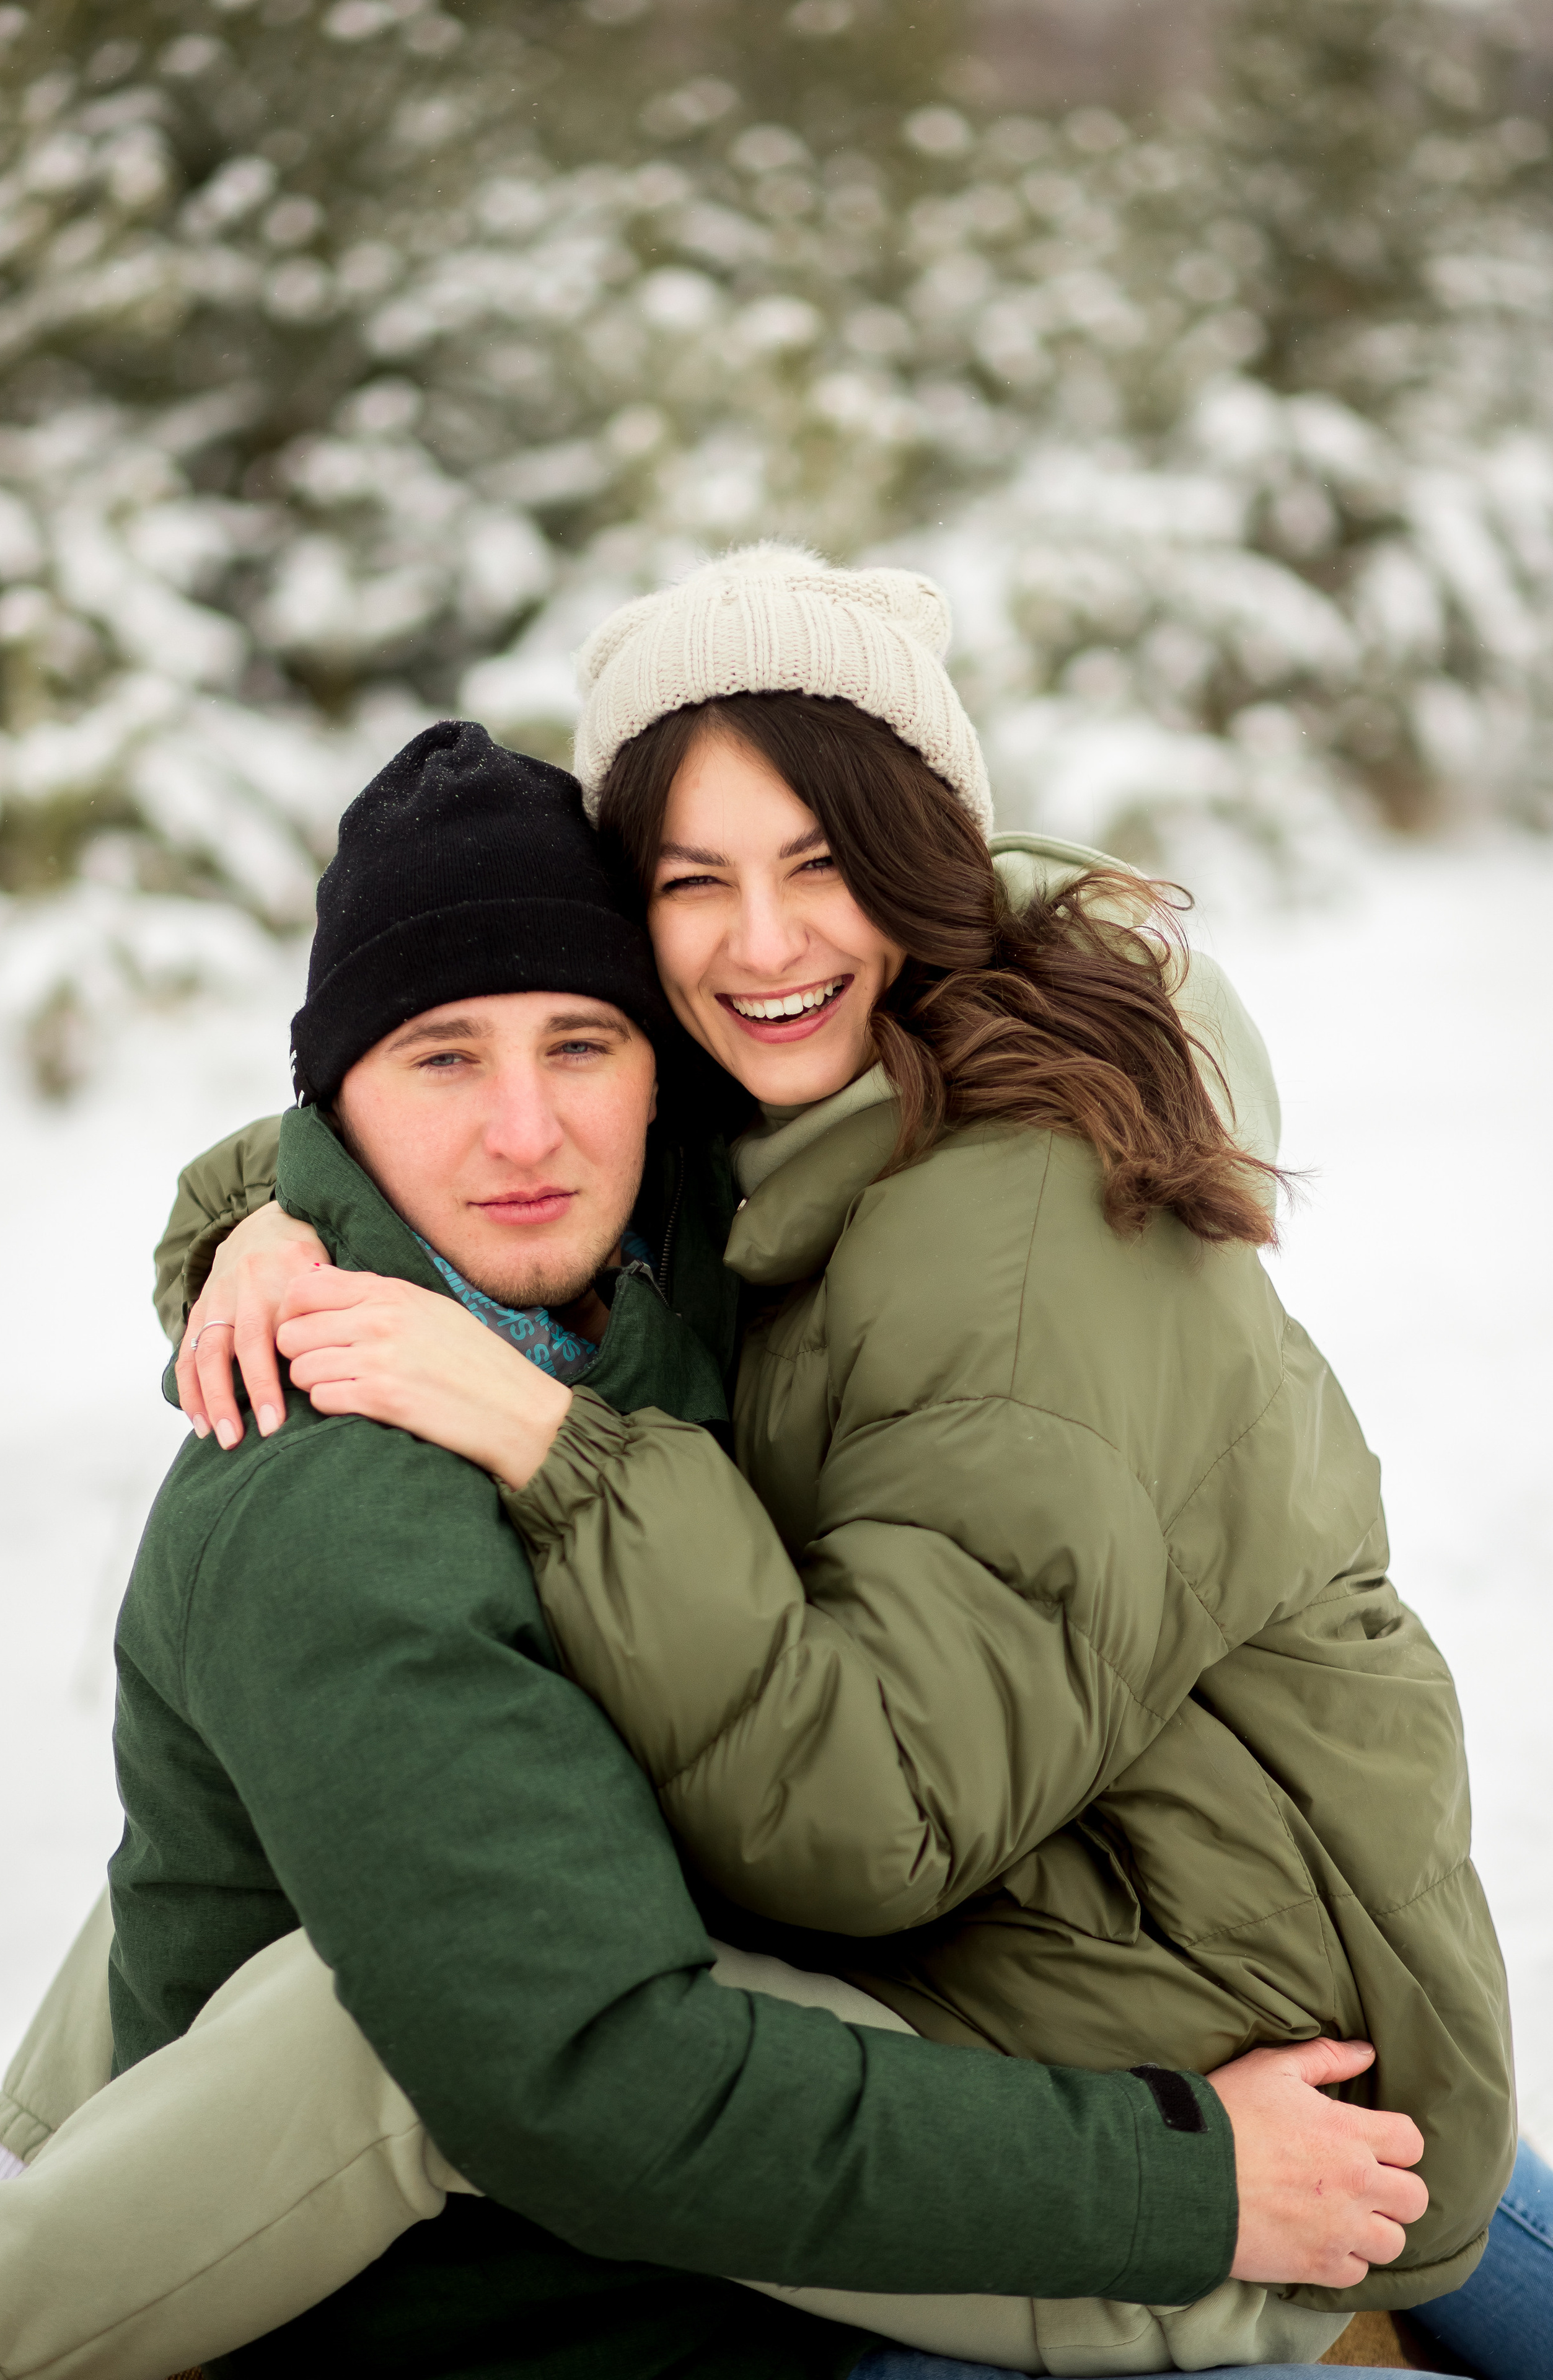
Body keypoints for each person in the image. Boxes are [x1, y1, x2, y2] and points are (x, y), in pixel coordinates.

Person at [110, 548, 1534, 2372]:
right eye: (695, 880)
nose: (765, 939)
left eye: (823, 860)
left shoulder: (1019, 1233)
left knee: (416, 2066)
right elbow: (446, 1054)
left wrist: (562, 1447)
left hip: (1207, 2038)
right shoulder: (808, 1088)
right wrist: (266, 1225)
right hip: (1067, 1925)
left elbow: (872, 1818)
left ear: (926, 861)